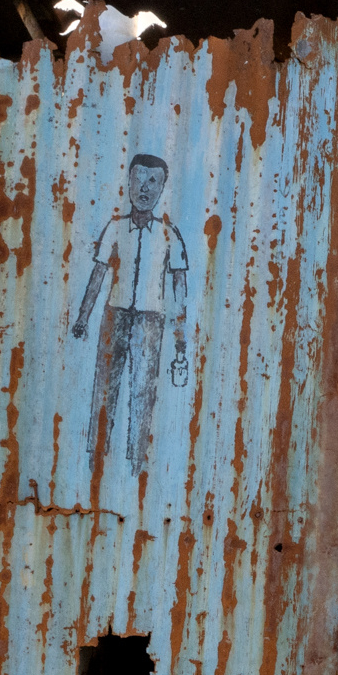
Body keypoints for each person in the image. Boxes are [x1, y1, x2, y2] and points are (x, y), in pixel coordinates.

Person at [71, 153, 194, 474]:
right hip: (115, 314)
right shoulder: (115, 227)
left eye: (153, 181)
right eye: (138, 179)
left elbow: (179, 289)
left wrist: (180, 339)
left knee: (143, 390)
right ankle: (94, 459)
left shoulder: (171, 234)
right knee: (104, 386)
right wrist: (83, 317)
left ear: (163, 187)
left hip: (150, 321)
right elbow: (97, 276)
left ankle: (136, 463)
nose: (144, 187)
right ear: (128, 182)